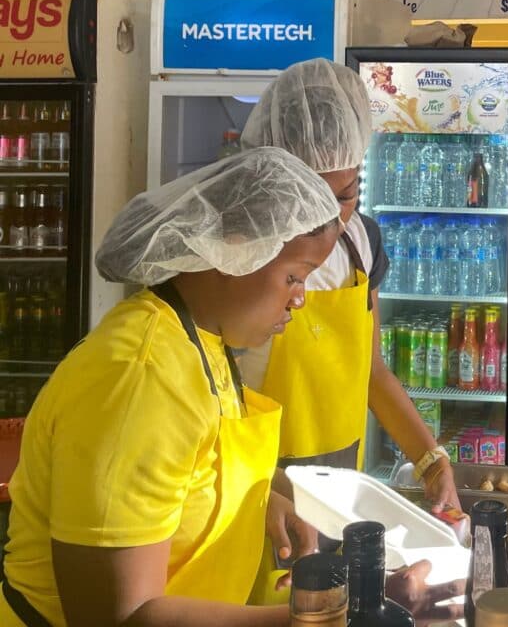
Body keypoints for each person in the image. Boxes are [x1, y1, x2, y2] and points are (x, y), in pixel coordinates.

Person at [1, 146, 462, 627]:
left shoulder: (204, 341)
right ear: (235, 253)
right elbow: (118, 616)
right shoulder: (139, 377)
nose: (300, 300)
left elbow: (196, 471)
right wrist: (329, 613)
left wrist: (262, 505)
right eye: (293, 277)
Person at [240, 59, 459, 513]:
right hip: (254, 490)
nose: (332, 219)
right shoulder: (240, 254)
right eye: (314, 199)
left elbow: (372, 372)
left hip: (341, 481)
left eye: (346, 194)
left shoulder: (362, 241)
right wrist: (262, 486)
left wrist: (431, 460)